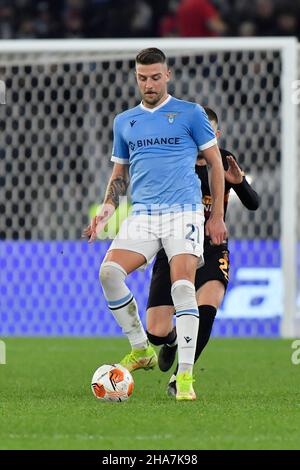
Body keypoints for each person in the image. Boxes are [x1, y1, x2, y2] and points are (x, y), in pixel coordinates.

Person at [83, 48, 227, 401]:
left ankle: (186, 378)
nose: (149, 84)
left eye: (155, 77)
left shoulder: (190, 114)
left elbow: (215, 165)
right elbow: (120, 172)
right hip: (143, 213)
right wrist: (107, 206)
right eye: (142, 78)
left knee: (182, 288)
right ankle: (141, 350)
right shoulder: (125, 121)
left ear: (168, 75)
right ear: (136, 78)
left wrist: (217, 215)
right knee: (109, 273)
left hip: (184, 212)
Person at [146, 106, 260, 396]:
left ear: (216, 135)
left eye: (206, 133)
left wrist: (240, 184)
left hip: (212, 249)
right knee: (155, 332)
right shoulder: (175, 161)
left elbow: (253, 203)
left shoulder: (223, 161)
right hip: (174, 248)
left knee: (207, 308)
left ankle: (181, 376)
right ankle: (172, 340)